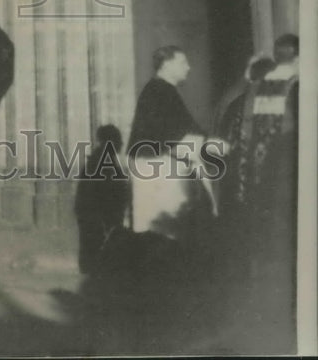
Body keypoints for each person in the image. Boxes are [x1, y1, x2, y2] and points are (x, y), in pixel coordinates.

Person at [220, 33, 298, 351]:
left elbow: (247, 135)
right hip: (286, 173)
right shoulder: (295, 86)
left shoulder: (255, 91)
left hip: (259, 177)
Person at [127, 45, 208, 240]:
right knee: (162, 230)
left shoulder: (162, 90)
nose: (188, 67)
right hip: (158, 168)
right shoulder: (159, 91)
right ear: (165, 65)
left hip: (159, 165)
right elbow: (172, 135)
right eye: (182, 62)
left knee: (161, 230)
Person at [74, 124, 129, 276]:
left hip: (99, 218)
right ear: (109, 142)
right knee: (96, 258)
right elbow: (102, 192)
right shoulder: (101, 161)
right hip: (99, 219)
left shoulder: (103, 159)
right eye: (118, 140)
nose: (121, 144)